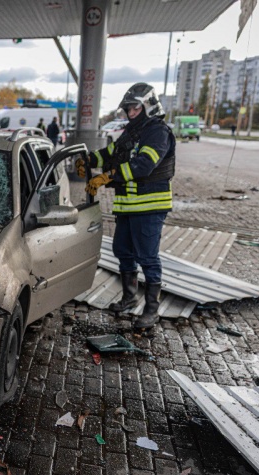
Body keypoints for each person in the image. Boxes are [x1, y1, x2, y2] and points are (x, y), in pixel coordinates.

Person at [83, 83, 175, 329]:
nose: (130, 114)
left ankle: (151, 310)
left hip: (149, 206)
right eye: (128, 110)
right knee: (123, 251)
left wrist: (107, 176)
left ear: (148, 105)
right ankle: (129, 297)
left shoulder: (157, 132)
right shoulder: (132, 132)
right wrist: (86, 159)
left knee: (147, 257)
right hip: (127, 207)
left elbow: (143, 165)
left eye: (134, 109)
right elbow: (110, 153)